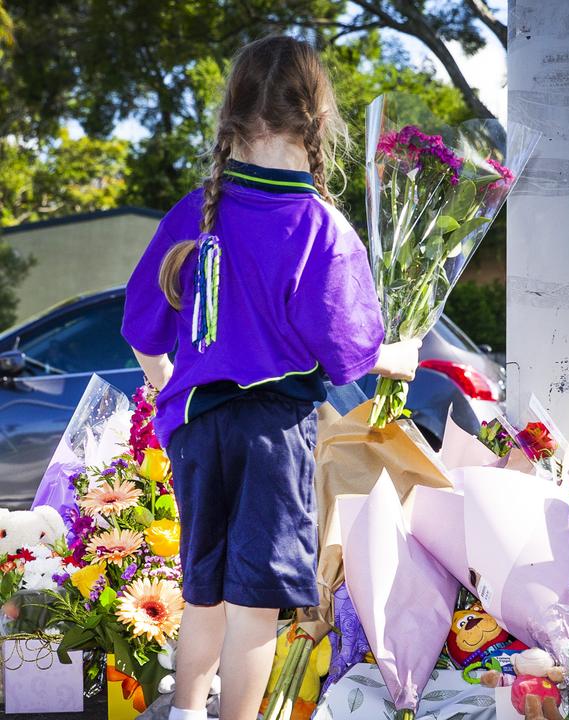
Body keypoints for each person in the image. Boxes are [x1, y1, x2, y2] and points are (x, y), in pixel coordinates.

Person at [121, 36, 420, 720]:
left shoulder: (194, 210)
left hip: (198, 428)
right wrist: (395, 357)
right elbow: (346, 352)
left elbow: (141, 328)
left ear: (233, 113)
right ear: (317, 120)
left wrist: (169, 402)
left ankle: (188, 711)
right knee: (254, 604)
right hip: (271, 434)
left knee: (203, 594)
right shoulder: (322, 226)